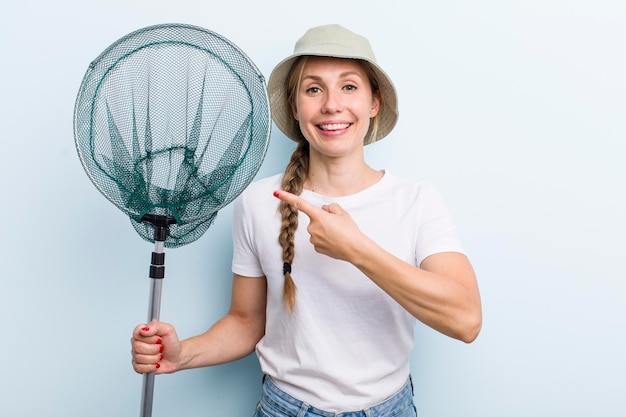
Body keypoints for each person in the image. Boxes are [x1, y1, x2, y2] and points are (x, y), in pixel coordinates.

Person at [131, 24, 482, 417]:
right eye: (314, 89)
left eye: (349, 87)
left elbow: (465, 320)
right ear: (295, 106)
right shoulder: (259, 202)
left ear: (374, 103)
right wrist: (184, 354)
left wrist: (356, 249)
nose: (332, 105)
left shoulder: (416, 201)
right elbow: (246, 321)